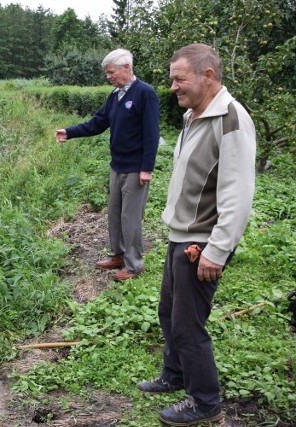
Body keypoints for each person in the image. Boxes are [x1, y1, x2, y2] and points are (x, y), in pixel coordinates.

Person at [137, 44, 256, 426]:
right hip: (180, 234)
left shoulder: (231, 118)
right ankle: (175, 375)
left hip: (202, 242)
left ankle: (205, 402)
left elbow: (238, 195)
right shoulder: (193, 114)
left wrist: (217, 251)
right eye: (172, 78)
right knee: (169, 312)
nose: (172, 86)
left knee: (189, 325)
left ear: (208, 75)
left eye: (179, 78)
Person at [55, 48, 160, 282]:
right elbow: (97, 123)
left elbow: (152, 133)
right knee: (114, 214)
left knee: (130, 218)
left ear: (126, 67)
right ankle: (118, 255)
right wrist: (69, 132)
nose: (108, 77)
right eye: (106, 73)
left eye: (111, 72)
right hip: (117, 165)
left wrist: (147, 168)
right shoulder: (115, 95)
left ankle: (134, 265)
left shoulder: (145, 93)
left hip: (135, 168)